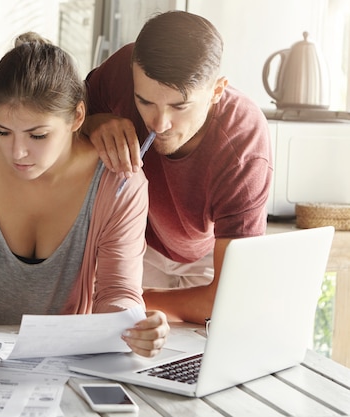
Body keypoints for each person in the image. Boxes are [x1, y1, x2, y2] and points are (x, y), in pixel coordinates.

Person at [0, 32, 169, 357]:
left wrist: (132, 327)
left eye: (37, 135)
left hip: (57, 363)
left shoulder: (119, 184)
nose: (18, 153)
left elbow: (118, 291)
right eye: (2, 132)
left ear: (77, 118)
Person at [82, 11, 273, 324]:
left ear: (216, 91)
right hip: (134, 242)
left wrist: (128, 299)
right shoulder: (122, 69)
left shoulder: (244, 143)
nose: (158, 123)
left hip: (207, 261)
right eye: (144, 102)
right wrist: (92, 123)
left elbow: (229, 298)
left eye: (179, 106)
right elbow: (61, 121)